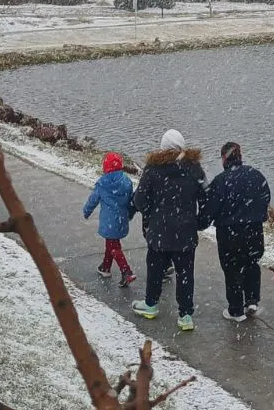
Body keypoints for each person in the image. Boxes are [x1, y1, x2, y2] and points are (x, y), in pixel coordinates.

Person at [131, 129, 206, 331]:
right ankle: (185, 315)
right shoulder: (195, 169)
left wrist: (152, 214)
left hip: (159, 230)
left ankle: (151, 304)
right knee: (185, 274)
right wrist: (199, 222)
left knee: (155, 269)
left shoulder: (152, 169)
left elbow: (139, 200)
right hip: (186, 233)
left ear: (163, 147)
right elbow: (205, 199)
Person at [201, 142, 270, 322]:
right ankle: (252, 300)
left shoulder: (221, 181)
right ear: (240, 156)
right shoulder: (256, 175)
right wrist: (257, 216)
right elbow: (265, 199)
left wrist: (199, 223)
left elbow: (210, 209)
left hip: (229, 233)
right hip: (254, 230)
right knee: (252, 264)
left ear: (224, 158)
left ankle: (236, 310)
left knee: (232, 270)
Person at [84, 152, 137, 288]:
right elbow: (131, 200)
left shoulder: (103, 183)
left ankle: (126, 271)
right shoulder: (127, 182)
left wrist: (87, 211)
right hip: (122, 219)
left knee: (114, 246)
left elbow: (93, 199)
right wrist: (130, 214)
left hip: (109, 221)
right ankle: (105, 267)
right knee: (112, 243)